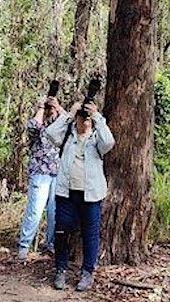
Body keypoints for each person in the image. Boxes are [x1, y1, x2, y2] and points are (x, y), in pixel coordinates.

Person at [44, 98, 115, 292]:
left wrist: (97, 116)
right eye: (81, 118)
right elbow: (49, 133)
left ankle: (87, 272)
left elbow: (109, 142)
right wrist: (68, 115)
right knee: (61, 231)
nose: (84, 122)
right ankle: (60, 269)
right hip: (66, 194)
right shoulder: (68, 136)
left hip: (90, 195)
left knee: (90, 234)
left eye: (87, 119)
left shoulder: (96, 140)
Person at [16, 95, 60, 260]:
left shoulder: (60, 127)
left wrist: (57, 106)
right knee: (34, 211)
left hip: (57, 174)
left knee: (54, 212)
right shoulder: (39, 126)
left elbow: (68, 120)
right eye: (48, 109)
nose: (50, 111)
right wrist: (41, 107)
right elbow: (32, 126)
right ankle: (24, 246)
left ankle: (51, 244)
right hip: (40, 174)